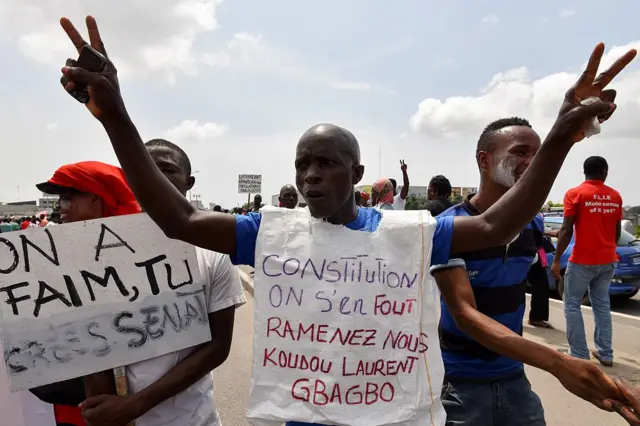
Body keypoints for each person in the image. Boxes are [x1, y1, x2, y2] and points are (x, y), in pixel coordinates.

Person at [58, 17, 636, 424]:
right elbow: (181, 217)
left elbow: (495, 229)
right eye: (302, 164)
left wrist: (562, 131)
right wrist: (116, 115)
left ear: (356, 173)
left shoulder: (402, 234)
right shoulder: (269, 233)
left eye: (327, 163)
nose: (311, 175)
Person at [431, 118, 630, 426]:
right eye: (520, 152)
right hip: (460, 384)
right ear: (484, 160)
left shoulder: (534, 225)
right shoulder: (449, 227)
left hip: (515, 378)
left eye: (537, 156)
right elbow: (466, 315)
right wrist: (560, 363)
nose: (531, 163)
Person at [79, 138, 246, 426]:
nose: (153, 177)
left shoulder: (212, 252)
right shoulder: (102, 252)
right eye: (144, 168)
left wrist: (135, 405)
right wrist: (105, 406)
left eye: (166, 169)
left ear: (189, 181)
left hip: (195, 419)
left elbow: (218, 347)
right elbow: (92, 335)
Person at [32, 160, 143, 426]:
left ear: (96, 199)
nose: (60, 207)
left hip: (136, 407)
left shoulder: (145, 256)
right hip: (69, 405)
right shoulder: (47, 254)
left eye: (67, 198)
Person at [551, 156, 622, 367]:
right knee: (602, 305)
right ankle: (606, 353)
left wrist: (556, 260)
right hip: (608, 259)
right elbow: (616, 232)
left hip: (582, 259)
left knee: (572, 304)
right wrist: (607, 249)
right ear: (605, 171)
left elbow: (565, 230)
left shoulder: (575, 194)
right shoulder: (615, 195)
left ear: (585, 172)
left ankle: (579, 354)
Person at [528, 212, 557, 329]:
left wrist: (552, 233)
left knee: (542, 285)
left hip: (537, 252)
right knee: (515, 286)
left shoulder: (538, 214)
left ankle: (536, 318)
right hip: (520, 252)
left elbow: (540, 230)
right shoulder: (519, 208)